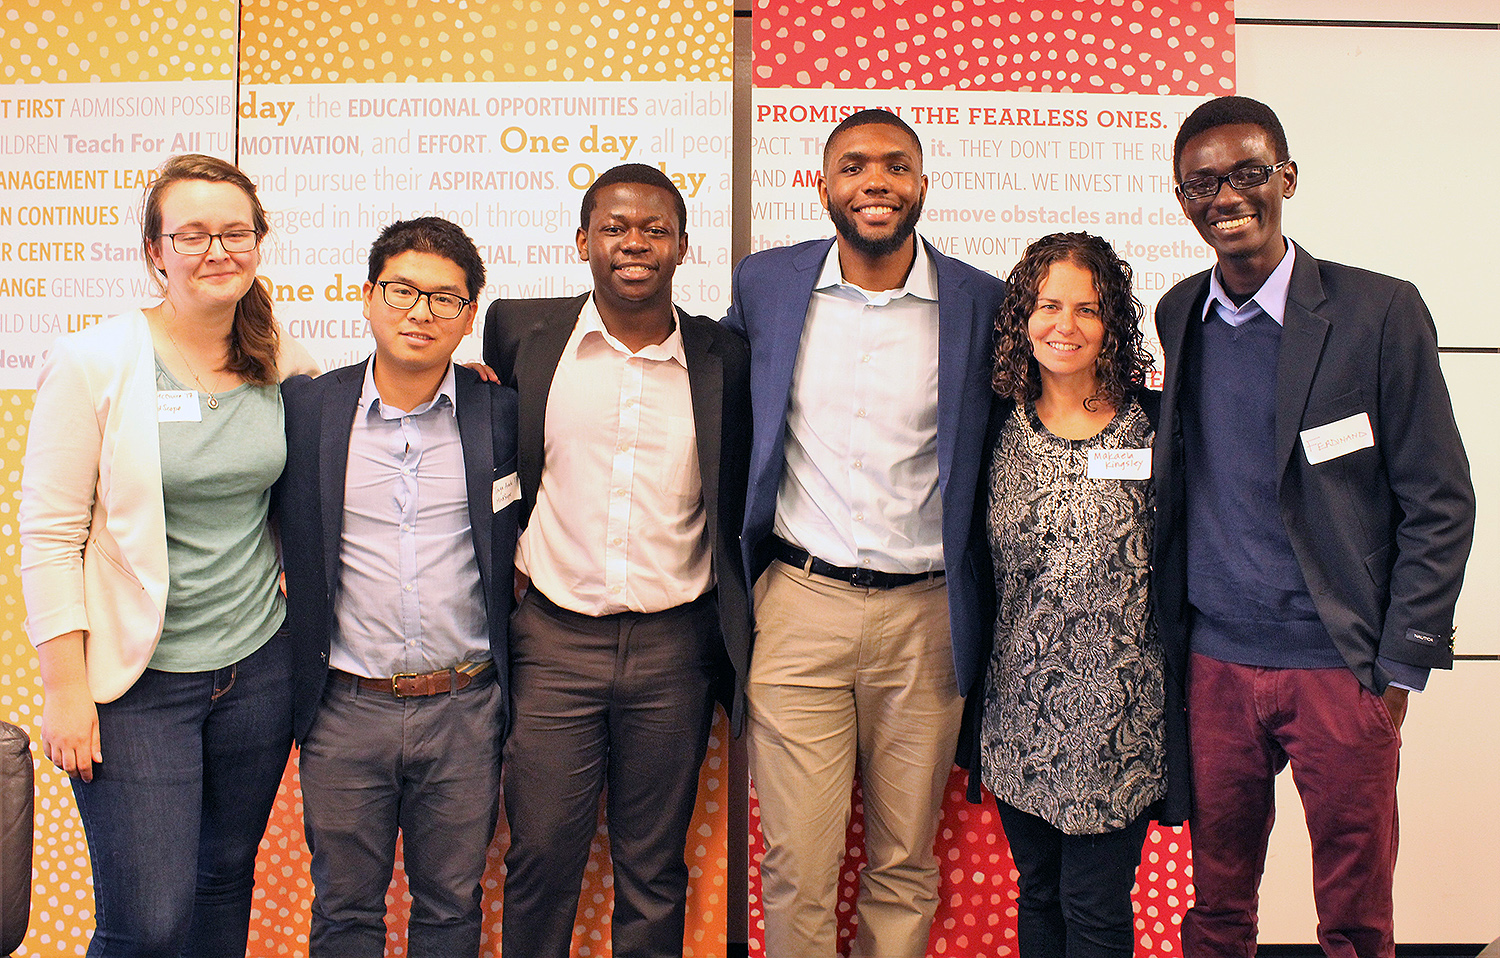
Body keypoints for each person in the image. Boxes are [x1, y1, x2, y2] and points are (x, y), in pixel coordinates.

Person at [1155, 96, 1475, 957]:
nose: (1225, 196)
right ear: (1182, 200)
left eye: (1247, 172)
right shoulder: (1178, 312)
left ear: (1287, 178)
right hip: (1216, 665)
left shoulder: (1378, 312)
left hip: (1341, 664)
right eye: (1201, 183)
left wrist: (1400, 661)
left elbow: (1440, 499)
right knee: (1218, 909)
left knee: (1356, 917)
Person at [18, 153, 318, 957]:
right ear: (156, 251)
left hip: (258, 669)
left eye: (234, 232)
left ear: (259, 241)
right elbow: (48, 535)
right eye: (191, 234)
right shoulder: (97, 362)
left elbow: (352, 413)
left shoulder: (274, 353)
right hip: (138, 684)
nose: (216, 250)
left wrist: (455, 382)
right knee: (145, 923)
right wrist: (65, 690)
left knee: (223, 883)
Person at [723, 109, 1007, 958]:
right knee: (797, 865)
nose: (873, 182)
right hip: (800, 609)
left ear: (922, 185)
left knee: (903, 862)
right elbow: (718, 393)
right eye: (853, 167)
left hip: (927, 619)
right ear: (823, 186)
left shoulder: (981, 301)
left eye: (894, 166)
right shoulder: (766, 285)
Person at [481, 163, 750, 958]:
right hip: (553, 644)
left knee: (653, 866)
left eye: (655, 229)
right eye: (615, 227)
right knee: (540, 858)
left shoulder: (723, 358)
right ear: (583, 241)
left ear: (682, 248)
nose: (634, 243)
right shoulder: (523, 333)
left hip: (676, 648)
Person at [277, 217, 519, 955]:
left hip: (466, 707)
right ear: (367, 297)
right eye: (403, 290)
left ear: (470, 315)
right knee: (345, 911)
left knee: (451, 908)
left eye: (445, 299)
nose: (421, 312)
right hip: (346, 707)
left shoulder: (502, 415)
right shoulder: (307, 411)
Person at [978, 232, 1185, 958]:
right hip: (1017, 715)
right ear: (1021, 318)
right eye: (1048, 306)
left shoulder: (1158, 426)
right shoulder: (991, 427)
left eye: (1088, 310)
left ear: (1112, 323)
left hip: (1122, 722)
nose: (1065, 326)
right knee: (1036, 895)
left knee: (1094, 908)